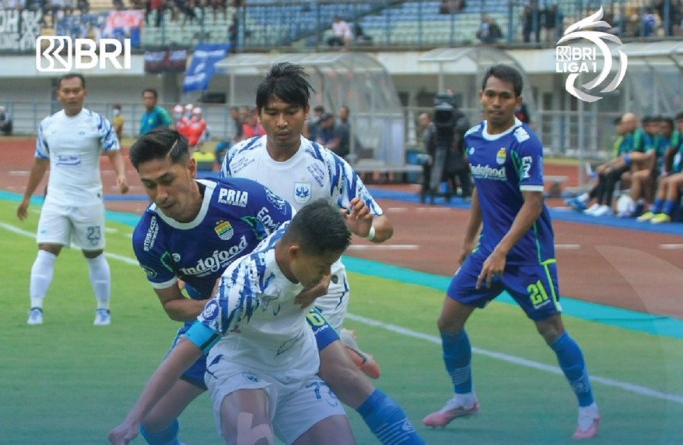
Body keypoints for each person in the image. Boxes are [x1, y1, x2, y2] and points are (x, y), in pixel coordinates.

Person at [127, 128, 423, 445]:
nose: (161, 195)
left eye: (167, 180)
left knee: (351, 381)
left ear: (190, 168)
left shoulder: (245, 198)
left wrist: (319, 282)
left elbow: (308, 243)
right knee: (154, 418)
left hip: (283, 311)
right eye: (149, 185)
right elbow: (172, 305)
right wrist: (217, 306)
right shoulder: (149, 238)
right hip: (222, 326)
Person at [221, 62, 424, 445]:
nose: (282, 122)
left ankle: (337, 352)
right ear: (259, 114)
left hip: (321, 288)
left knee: (327, 381)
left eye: (291, 112)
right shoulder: (238, 159)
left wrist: (367, 230)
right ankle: (339, 345)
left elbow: (383, 225)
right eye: (273, 112)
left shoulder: (327, 166)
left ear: (307, 113)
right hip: (266, 290)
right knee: (286, 376)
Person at [423, 65, 600, 440]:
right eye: (490, 94)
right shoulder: (473, 137)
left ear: (517, 101)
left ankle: (589, 408)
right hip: (489, 251)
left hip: (527, 256)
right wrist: (468, 240)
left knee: (552, 331)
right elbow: (480, 190)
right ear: (482, 97)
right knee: (448, 322)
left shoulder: (525, 142)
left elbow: (533, 204)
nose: (496, 102)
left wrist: (502, 249)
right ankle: (464, 398)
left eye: (505, 96)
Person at [109, 200, 357, 445]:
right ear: (294, 252)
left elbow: (317, 219)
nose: (326, 274)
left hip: (297, 369)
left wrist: (323, 277)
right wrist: (133, 420)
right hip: (242, 370)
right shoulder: (243, 291)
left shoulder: (295, 234)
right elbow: (184, 351)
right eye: (323, 267)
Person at [16, 73, 129, 326]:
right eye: (66, 91)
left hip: (88, 200)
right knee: (46, 249)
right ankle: (35, 309)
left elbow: (114, 152)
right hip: (55, 198)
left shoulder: (98, 123)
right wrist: (26, 197)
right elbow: (39, 162)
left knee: (94, 253)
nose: (71, 95)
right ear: (59, 95)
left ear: (84, 93)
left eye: (76, 90)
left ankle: (103, 309)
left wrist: (121, 175)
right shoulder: (48, 125)